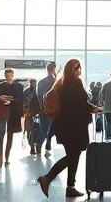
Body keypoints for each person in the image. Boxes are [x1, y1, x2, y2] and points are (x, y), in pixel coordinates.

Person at [37, 59, 101, 198]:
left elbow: (74, 104)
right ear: (74, 69)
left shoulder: (62, 83)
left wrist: (89, 108)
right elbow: (79, 104)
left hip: (64, 126)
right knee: (73, 156)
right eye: (78, 67)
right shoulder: (74, 83)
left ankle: (70, 187)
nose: (80, 70)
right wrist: (92, 108)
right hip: (74, 126)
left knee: (74, 155)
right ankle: (47, 178)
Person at [0, 67, 24, 166]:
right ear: (5, 76)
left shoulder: (18, 86)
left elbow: (21, 99)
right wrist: (0, 98)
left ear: (13, 75)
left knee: (10, 134)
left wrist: (11, 100)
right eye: (7, 75)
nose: (9, 77)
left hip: (13, 112)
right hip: (1, 112)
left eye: (10, 75)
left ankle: (6, 156)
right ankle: (0, 157)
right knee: (1, 134)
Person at [36, 62, 58, 156]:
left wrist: (42, 108)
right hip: (54, 109)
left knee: (45, 128)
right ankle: (46, 143)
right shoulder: (56, 82)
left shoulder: (42, 82)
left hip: (45, 109)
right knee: (51, 128)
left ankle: (40, 145)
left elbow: (39, 97)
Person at [24, 79, 41, 154]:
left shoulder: (38, 91)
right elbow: (23, 102)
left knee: (37, 130)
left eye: (34, 82)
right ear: (29, 83)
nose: (33, 84)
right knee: (29, 130)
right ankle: (32, 147)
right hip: (29, 114)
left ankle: (37, 145)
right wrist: (26, 111)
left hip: (37, 114)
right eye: (32, 82)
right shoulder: (26, 92)